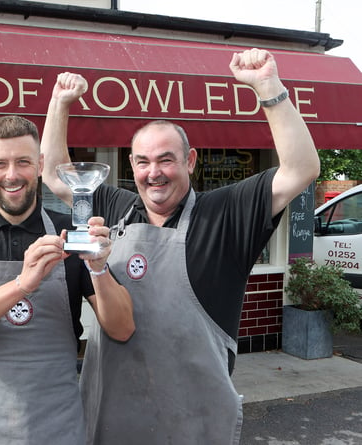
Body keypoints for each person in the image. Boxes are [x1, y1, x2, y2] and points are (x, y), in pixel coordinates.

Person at [40, 48, 320, 444]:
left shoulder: (225, 213)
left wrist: (268, 87)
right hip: (113, 419)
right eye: (142, 162)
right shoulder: (117, 207)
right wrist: (59, 103)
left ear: (189, 160)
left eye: (166, 160)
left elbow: (303, 168)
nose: (153, 173)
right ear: (131, 166)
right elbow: (54, 174)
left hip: (193, 424)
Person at [0, 115, 135, 444]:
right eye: (0, 164)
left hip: (58, 425)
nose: (12, 175)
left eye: (23, 162)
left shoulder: (71, 233)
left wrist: (98, 268)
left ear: (41, 165)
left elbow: (122, 328)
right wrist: (21, 285)